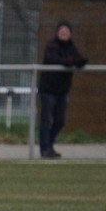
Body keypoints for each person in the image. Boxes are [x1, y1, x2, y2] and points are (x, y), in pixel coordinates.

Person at [38, 20, 87, 159]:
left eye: (66, 30)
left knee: (60, 121)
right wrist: (70, 61)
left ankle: (49, 145)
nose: (64, 32)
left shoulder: (71, 47)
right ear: (57, 32)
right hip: (48, 90)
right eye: (61, 30)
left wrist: (75, 61)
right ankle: (44, 149)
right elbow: (54, 59)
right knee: (46, 120)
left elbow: (80, 59)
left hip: (62, 91)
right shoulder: (51, 46)